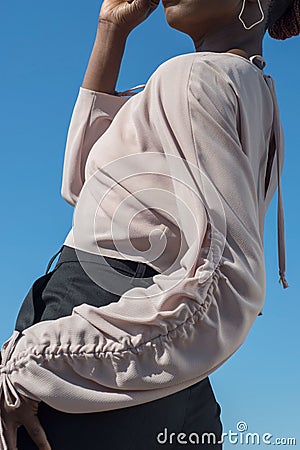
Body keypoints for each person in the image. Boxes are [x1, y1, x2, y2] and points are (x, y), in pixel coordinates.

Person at [0, 0, 297, 448]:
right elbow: (87, 188)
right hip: (158, 357)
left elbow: (228, 281)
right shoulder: (245, 84)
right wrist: (112, 30)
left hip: (104, 334)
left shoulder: (195, 75)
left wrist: (32, 362)